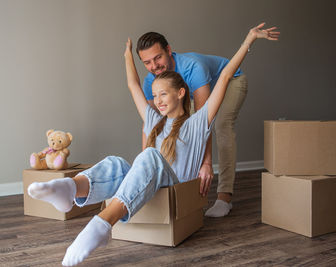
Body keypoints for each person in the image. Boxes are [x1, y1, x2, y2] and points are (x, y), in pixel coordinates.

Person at [27, 23, 279, 266]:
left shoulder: (198, 122)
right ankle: (71, 189)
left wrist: (249, 40)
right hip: (153, 187)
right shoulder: (153, 120)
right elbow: (133, 85)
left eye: (163, 94)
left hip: (176, 189)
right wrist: (127, 55)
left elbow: (224, 77)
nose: (157, 100)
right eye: (155, 95)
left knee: (149, 157)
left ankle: (102, 224)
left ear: (181, 93)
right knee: (117, 162)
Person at [137, 30, 249, 217]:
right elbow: (151, 124)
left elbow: (204, 123)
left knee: (222, 125)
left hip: (230, 81)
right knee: (175, 124)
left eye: (158, 58)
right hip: (189, 90)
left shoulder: (193, 68)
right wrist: (144, 164)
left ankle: (224, 198)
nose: (154, 66)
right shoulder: (151, 82)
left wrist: (206, 163)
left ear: (169, 50)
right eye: (147, 62)